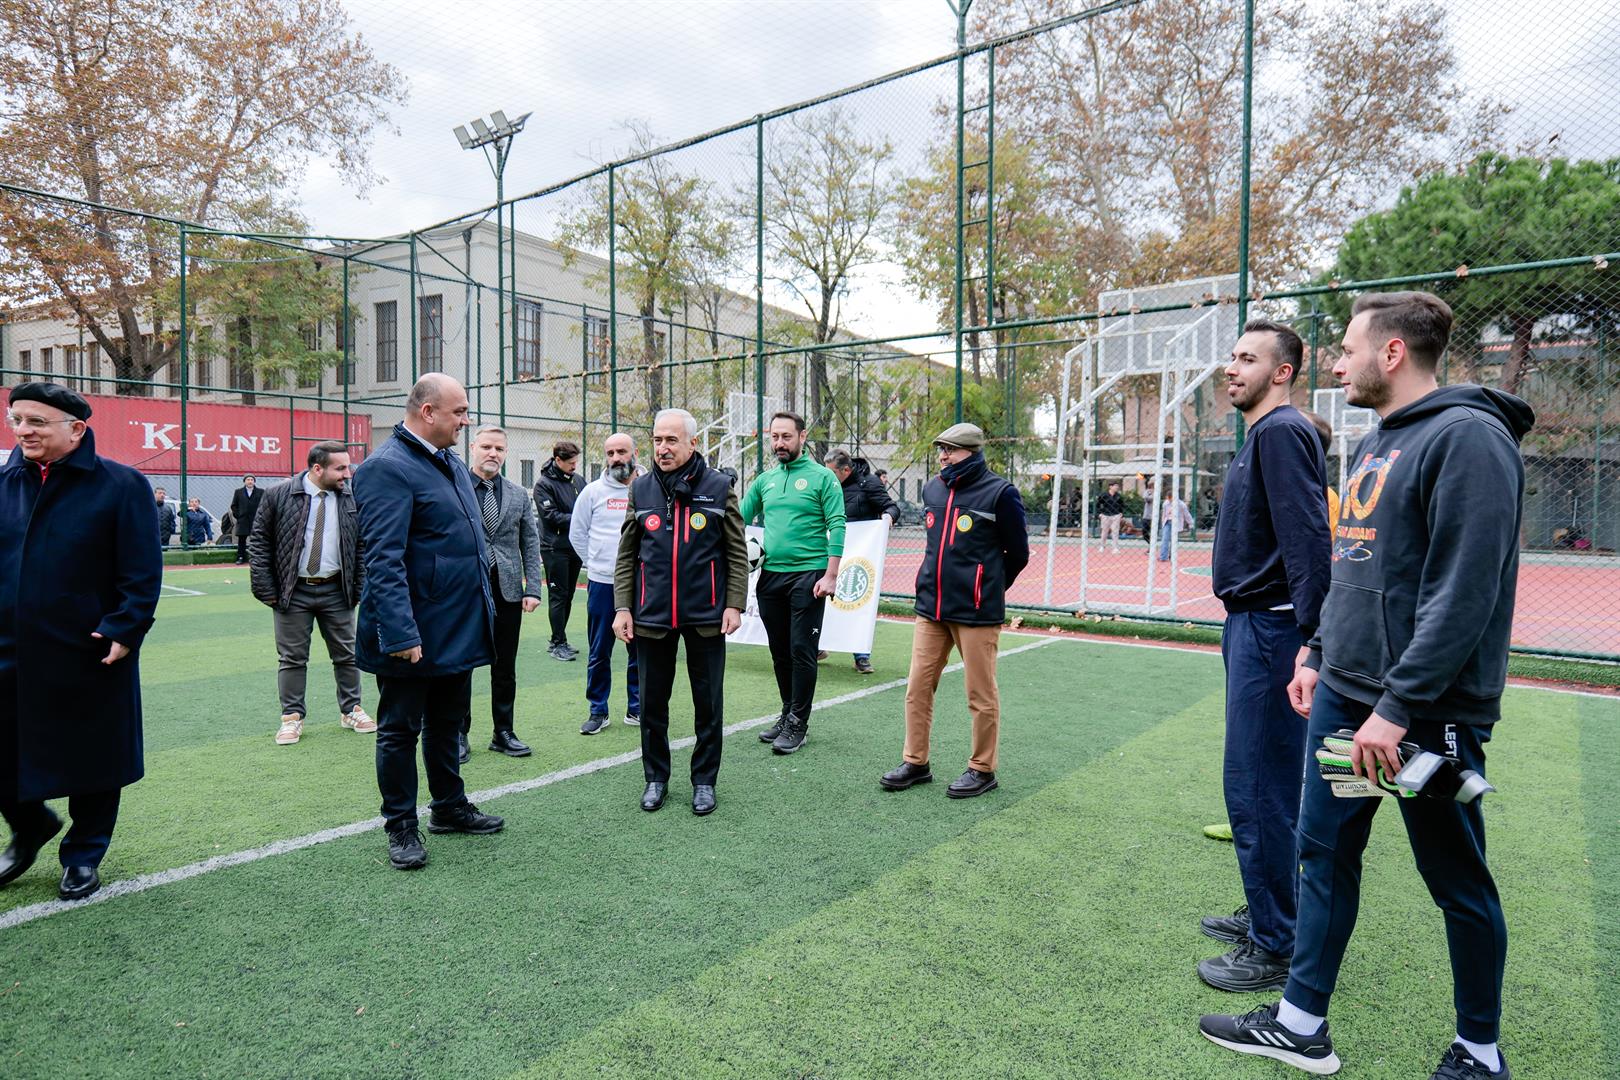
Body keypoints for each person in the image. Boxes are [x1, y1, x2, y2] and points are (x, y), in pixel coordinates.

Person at [1200, 292, 1531, 1080]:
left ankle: (1479, 1052)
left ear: (1392, 354)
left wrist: (1398, 706)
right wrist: (1316, 649)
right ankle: (1300, 1023)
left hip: (1419, 712)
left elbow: (1465, 593)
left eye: (1348, 349)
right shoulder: (1381, 438)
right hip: (1347, 695)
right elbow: (1354, 565)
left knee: (1455, 881)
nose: (1337, 364)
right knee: (1325, 855)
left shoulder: (1470, 439)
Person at [1195, 320, 1331, 994]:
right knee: (1258, 784)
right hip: (1254, 628)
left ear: (1283, 372)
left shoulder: (1282, 433)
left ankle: (1276, 943)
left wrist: (1313, 640)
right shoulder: (1263, 435)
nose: (1232, 368)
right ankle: (1273, 910)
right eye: (1232, 356)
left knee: (1259, 788)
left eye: (1248, 359)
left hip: (1275, 633)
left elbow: (1310, 539)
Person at [0, 382, 162, 901]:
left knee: (95, 759)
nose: (23, 430)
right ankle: (29, 826)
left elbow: (141, 571)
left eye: (36, 422)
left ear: (76, 429)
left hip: (88, 648)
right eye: (17, 419)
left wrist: (125, 626)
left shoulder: (121, 485)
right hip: (8, 647)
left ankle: (84, 853)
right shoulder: (3, 484)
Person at [352, 373, 503, 871]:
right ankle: (400, 825)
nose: (466, 420)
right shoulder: (386, 468)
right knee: (399, 729)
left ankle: (448, 807)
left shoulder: (450, 462)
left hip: (455, 624)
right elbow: (383, 559)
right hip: (413, 630)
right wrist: (399, 633)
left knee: (447, 722)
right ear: (427, 412)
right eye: (459, 412)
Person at [880, 423, 1028, 799]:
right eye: (941, 449)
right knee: (917, 688)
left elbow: (1019, 553)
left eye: (951, 450)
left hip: (977, 612)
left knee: (980, 693)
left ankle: (982, 769)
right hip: (932, 608)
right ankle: (916, 762)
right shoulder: (933, 488)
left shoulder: (1000, 493)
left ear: (972, 452)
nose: (944, 456)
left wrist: (988, 587)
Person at [613, 408, 746, 816]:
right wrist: (622, 607)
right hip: (651, 615)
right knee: (652, 704)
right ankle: (656, 779)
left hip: (706, 614)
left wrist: (735, 603)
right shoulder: (641, 490)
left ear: (693, 443)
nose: (663, 448)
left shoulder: (720, 487)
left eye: (672, 440)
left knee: (708, 704)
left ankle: (704, 781)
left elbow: (736, 553)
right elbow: (627, 555)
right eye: (657, 440)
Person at [248, 442, 374, 746]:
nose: (348, 473)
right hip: (293, 591)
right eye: (340, 468)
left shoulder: (352, 497)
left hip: (337, 590)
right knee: (292, 658)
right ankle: (291, 718)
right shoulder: (278, 494)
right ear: (317, 468)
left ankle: (351, 710)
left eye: (348, 466)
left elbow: (362, 546)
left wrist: (356, 589)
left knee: (346, 654)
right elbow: (259, 543)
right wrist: (267, 591)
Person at [739, 411, 846, 754]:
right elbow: (736, 516)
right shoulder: (765, 480)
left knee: (802, 650)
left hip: (810, 575)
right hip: (771, 575)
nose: (779, 443)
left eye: (786, 436)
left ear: (802, 438)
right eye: (774, 437)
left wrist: (831, 574)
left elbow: (838, 524)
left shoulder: (822, 478)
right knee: (780, 650)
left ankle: (799, 722)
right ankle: (787, 712)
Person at [460, 425, 543, 762]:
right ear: (473, 448)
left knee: (504, 666)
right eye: (487, 447)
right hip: (464, 590)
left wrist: (533, 588)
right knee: (460, 666)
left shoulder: (518, 494)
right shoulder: (455, 487)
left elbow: (530, 541)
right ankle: (457, 734)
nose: (493, 453)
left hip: (507, 590)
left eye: (499, 449)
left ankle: (503, 732)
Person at [569, 432, 641, 735]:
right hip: (602, 584)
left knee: (641, 648)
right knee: (600, 649)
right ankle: (598, 710)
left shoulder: (649, 488)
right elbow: (577, 534)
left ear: (635, 453)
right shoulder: (592, 492)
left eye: (621, 452)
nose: (615, 458)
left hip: (642, 583)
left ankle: (637, 708)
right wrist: (598, 564)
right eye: (610, 453)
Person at [825, 448, 896, 675]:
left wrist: (888, 517)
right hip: (831, 550)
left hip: (860, 555)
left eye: (832, 473)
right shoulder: (827, 485)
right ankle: (818, 646)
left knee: (855, 600)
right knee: (822, 597)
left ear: (846, 470)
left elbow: (891, 507)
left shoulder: (870, 484)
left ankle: (861, 655)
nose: (828, 477)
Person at [533, 441, 586, 661]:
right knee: (558, 595)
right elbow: (551, 516)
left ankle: (560, 638)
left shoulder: (579, 480)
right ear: (558, 460)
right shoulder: (543, 485)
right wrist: (581, 520)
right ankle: (557, 643)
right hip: (554, 548)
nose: (575, 466)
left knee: (569, 595)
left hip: (575, 546)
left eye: (576, 462)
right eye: (571, 462)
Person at [230, 474, 262, 564]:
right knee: (242, 541)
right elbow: (234, 506)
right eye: (248, 479)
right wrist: (239, 516)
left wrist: (259, 517)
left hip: (256, 521)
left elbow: (264, 505)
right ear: (244, 481)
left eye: (252, 479)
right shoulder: (238, 492)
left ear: (254, 481)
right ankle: (240, 557)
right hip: (243, 521)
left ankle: (256, 558)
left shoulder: (260, 492)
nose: (250, 481)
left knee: (256, 540)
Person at [1157, 489, 1193, 561]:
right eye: (1168, 498)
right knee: (1165, 539)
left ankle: (1172, 555)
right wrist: (1163, 522)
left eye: (1170, 498)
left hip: (1176, 523)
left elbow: (1186, 514)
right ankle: (1163, 556)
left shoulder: (1181, 504)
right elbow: (1164, 514)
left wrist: (1191, 523)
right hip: (1167, 522)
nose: (1169, 500)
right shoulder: (1166, 503)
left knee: (1174, 540)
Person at [1096, 480, 1125, 552]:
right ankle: (1102, 546)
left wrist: (1121, 513)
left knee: (1115, 532)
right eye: (1115, 486)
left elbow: (1122, 504)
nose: (1117, 487)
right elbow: (1098, 504)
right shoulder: (1104, 495)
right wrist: (1100, 513)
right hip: (1105, 515)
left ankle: (1115, 548)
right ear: (1110, 487)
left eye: (1117, 486)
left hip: (1116, 515)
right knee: (1104, 531)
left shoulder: (1118, 495)